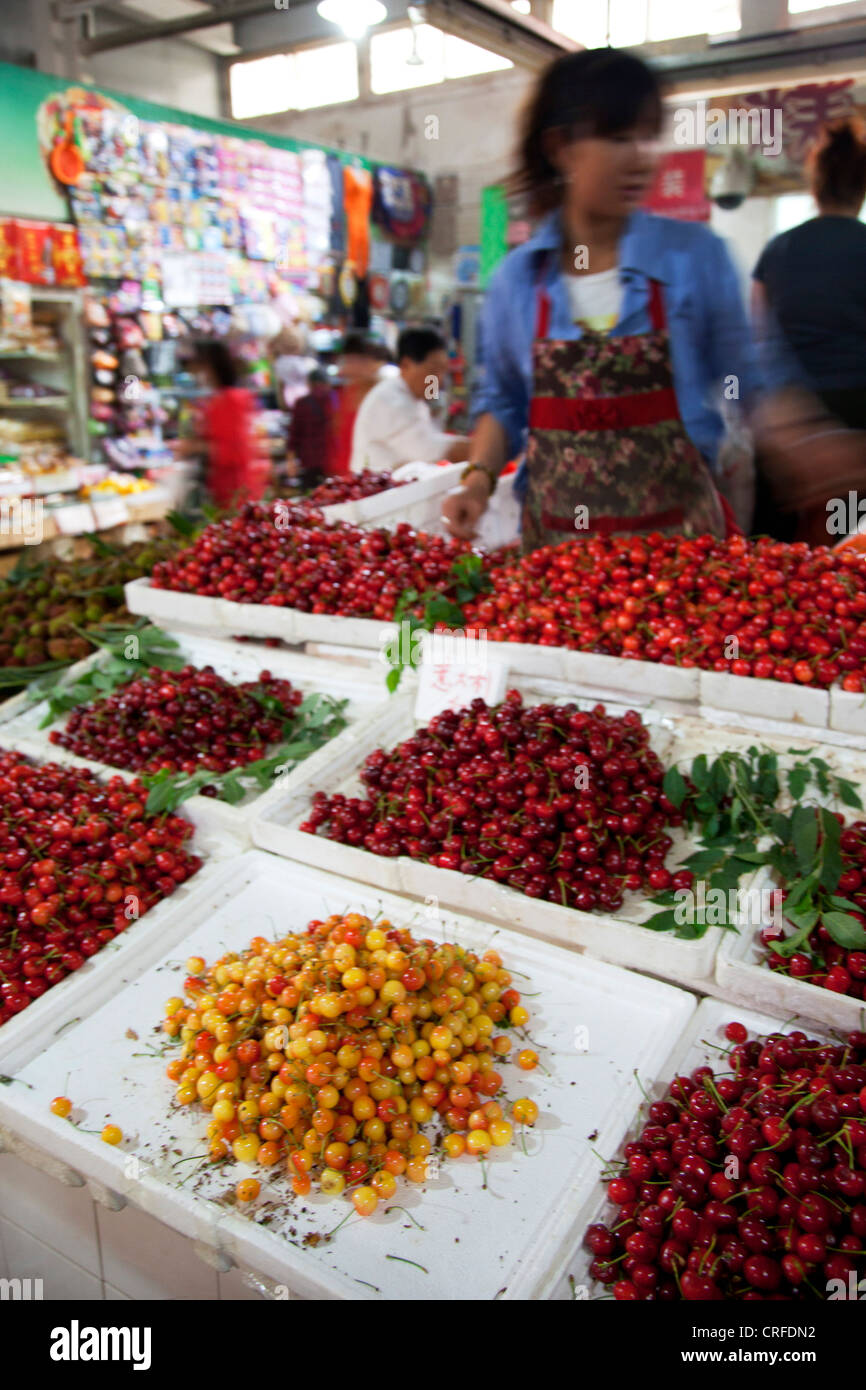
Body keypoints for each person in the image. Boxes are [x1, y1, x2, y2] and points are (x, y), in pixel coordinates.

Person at [440, 48, 785, 551]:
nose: (643, 155)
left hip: (682, 559)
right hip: (560, 561)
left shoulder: (695, 258)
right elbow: (503, 403)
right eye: (619, 137)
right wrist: (477, 482)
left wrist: (808, 442)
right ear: (561, 148)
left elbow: (748, 382)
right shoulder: (517, 280)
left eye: (649, 135)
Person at [752, 118, 866, 543]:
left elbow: (758, 340)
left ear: (814, 185)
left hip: (791, 422)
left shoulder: (778, 250)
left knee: (779, 561)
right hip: (858, 425)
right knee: (847, 558)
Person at [350, 326, 471, 474]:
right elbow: (430, 450)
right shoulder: (390, 400)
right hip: (378, 492)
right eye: (432, 370)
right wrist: (487, 446)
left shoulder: (416, 398)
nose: (438, 379)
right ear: (406, 364)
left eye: (443, 371)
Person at [176, 340, 269, 510]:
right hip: (227, 487)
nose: (195, 372)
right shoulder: (222, 399)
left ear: (210, 367)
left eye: (198, 366)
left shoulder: (231, 400)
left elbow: (234, 450)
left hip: (236, 488)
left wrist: (195, 448)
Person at [332, 332, 382, 477]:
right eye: (348, 361)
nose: (350, 367)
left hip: (371, 474)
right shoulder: (344, 394)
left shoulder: (379, 393)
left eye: (356, 361)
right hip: (345, 473)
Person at [288, 367, 336, 490]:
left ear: (309, 384)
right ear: (328, 382)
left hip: (310, 460)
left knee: (313, 498)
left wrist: (291, 461)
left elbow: (294, 435)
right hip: (332, 460)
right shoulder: (335, 399)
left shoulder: (302, 403)